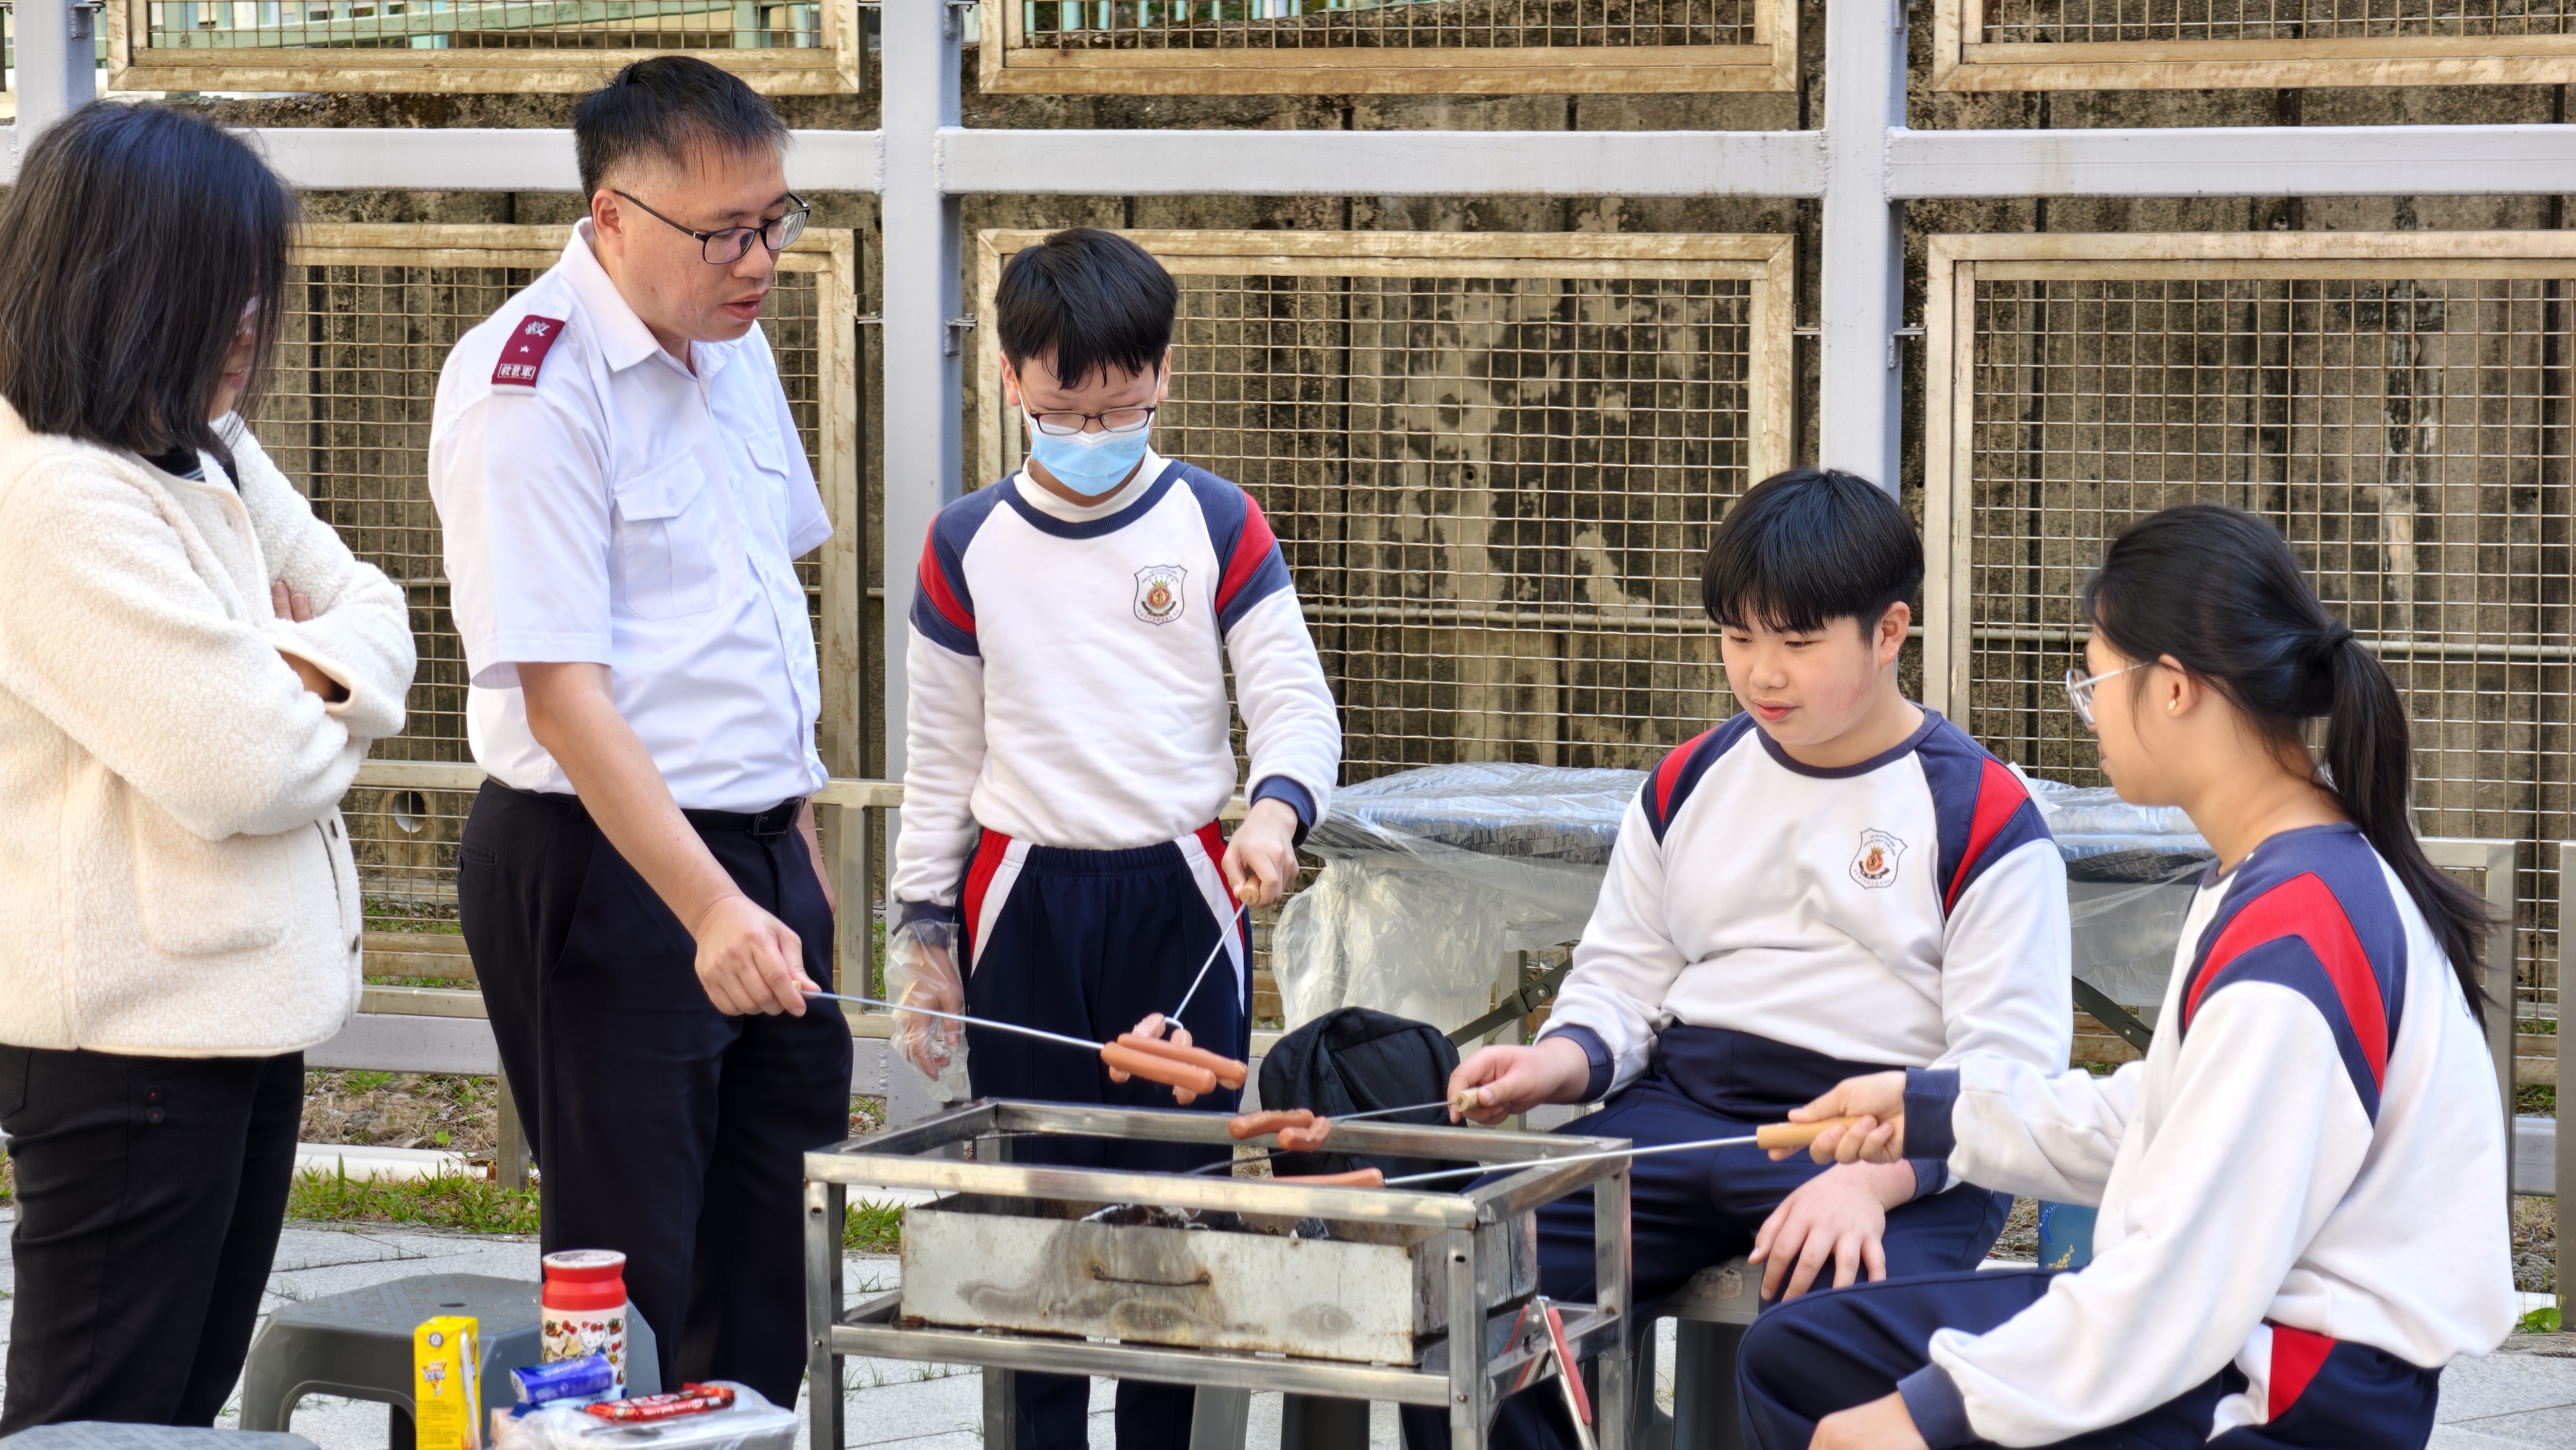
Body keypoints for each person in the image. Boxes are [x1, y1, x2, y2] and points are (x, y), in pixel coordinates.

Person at [1741, 504, 2516, 1450]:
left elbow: (2178, 1284)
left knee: (1851, 1396)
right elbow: (2166, 1120)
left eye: (2095, 682)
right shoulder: (2279, 868)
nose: (2091, 714)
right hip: (2243, 1332)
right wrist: (1932, 1109)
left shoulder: (2300, 931)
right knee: (1803, 1352)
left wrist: (1925, 1416)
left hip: (2290, 1388)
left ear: (2176, 689)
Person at [1414, 469, 2074, 1450]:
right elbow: (1622, 974)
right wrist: (1557, 1061)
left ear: (1889, 633)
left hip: (1884, 1140)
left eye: (1798, 644)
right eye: (1738, 638)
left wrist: (1870, 1181)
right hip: (1685, 1113)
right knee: (1465, 1282)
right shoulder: (1690, 779)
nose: (1763, 674)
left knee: (1826, 1343)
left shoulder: (1980, 812)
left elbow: (2010, 1067)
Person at [429, 56, 848, 1405]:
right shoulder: (530, 384)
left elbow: (762, 612)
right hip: (610, 867)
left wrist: (793, 835)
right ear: (611, 215)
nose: (760, 260)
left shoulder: (733, 344)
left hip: (759, 853)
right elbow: (563, 696)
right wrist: (710, 905)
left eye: (775, 221)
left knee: (775, 1250)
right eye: (724, 232)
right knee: (630, 1269)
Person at [887, 226, 1342, 1448]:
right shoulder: (966, 541)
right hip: (1020, 897)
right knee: (1036, 1215)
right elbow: (941, 752)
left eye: (1122, 408)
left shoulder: (1215, 520)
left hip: (1182, 894)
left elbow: (1294, 700)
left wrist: (1276, 810)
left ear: (1164, 375)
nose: (1093, 433)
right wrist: (925, 934)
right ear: (1009, 380)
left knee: (1174, 1215)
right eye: (1064, 409)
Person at [0, 102, 415, 1432]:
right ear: (118, 284)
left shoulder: (199, 441)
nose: (249, 326)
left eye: (253, 292)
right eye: (216, 292)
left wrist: (290, 662)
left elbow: (383, 606)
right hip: (128, 1044)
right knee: (98, 1415)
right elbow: (247, 767)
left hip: (230, 1018)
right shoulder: (53, 496)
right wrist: (301, 672)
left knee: (177, 1408)